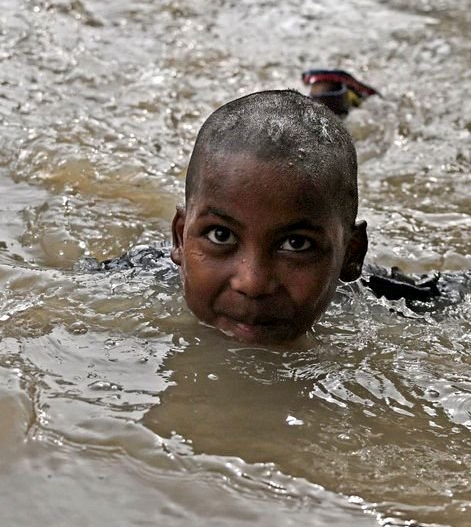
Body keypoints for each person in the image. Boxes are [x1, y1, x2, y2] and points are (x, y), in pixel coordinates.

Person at [89, 89, 442, 347]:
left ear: (351, 255)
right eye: (220, 236)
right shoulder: (127, 283)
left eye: (296, 244)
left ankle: (338, 99)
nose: (253, 283)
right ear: (180, 239)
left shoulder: (386, 298)